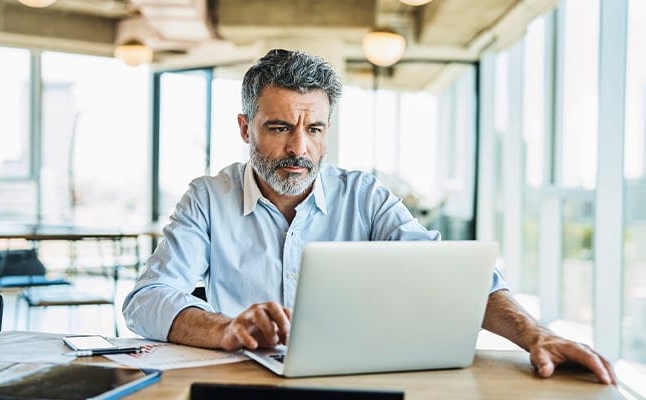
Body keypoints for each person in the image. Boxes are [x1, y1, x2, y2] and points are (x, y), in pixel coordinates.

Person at [123, 48, 616, 385]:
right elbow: (146, 301)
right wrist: (226, 329)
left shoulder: (364, 195)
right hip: (242, 383)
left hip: (355, 381)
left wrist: (537, 335)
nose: (300, 148)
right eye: (278, 128)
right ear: (243, 127)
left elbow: (454, 278)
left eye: (314, 128)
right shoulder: (209, 197)